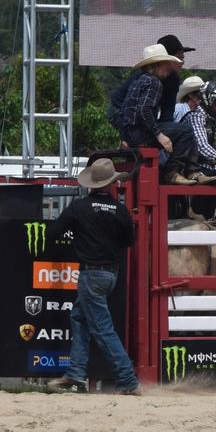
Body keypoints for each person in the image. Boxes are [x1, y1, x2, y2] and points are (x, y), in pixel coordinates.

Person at [45, 159, 140, 396]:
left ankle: (128, 380)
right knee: (79, 317)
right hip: (111, 274)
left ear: (91, 183)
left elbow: (53, 232)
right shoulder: (120, 210)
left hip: (91, 273)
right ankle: (76, 374)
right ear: (111, 183)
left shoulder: (79, 208)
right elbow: (128, 241)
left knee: (102, 329)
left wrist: (78, 234)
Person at [117, 44, 195, 185]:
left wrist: (124, 137)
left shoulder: (139, 81)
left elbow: (124, 110)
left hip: (131, 133)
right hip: (140, 132)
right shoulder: (155, 82)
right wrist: (159, 135)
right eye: (166, 63)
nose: (169, 67)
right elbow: (144, 109)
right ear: (157, 64)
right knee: (186, 131)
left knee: (175, 129)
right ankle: (172, 171)